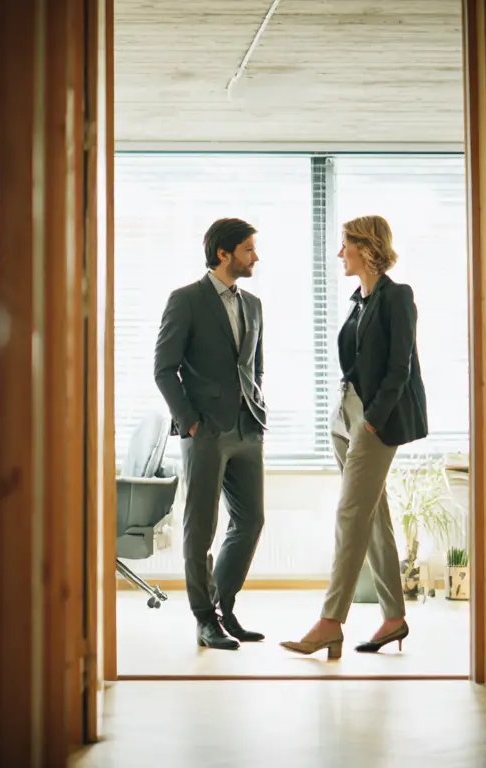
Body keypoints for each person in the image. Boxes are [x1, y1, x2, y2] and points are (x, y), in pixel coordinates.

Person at [280, 215, 429, 660]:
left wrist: (373, 420)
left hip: (373, 421)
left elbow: (399, 367)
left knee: (349, 513)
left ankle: (330, 622)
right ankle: (394, 617)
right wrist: (346, 416)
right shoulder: (360, 301)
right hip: (344, 416)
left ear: (366, 248)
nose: (339, 253)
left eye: (344, 244)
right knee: (372, 516)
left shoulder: (396, 297)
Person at [154, 217, 268, 650]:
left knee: (251, 520)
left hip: (247, 428)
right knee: (200, 529)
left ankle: (225, 607)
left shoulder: (253, 304)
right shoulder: (185, 300)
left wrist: (258, 409)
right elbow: (164, 369)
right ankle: (205, 620)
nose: (255, 257)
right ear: (224, 253)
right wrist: (190, 421)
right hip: (204, 430)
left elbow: (256, 365)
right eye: (248, 249)